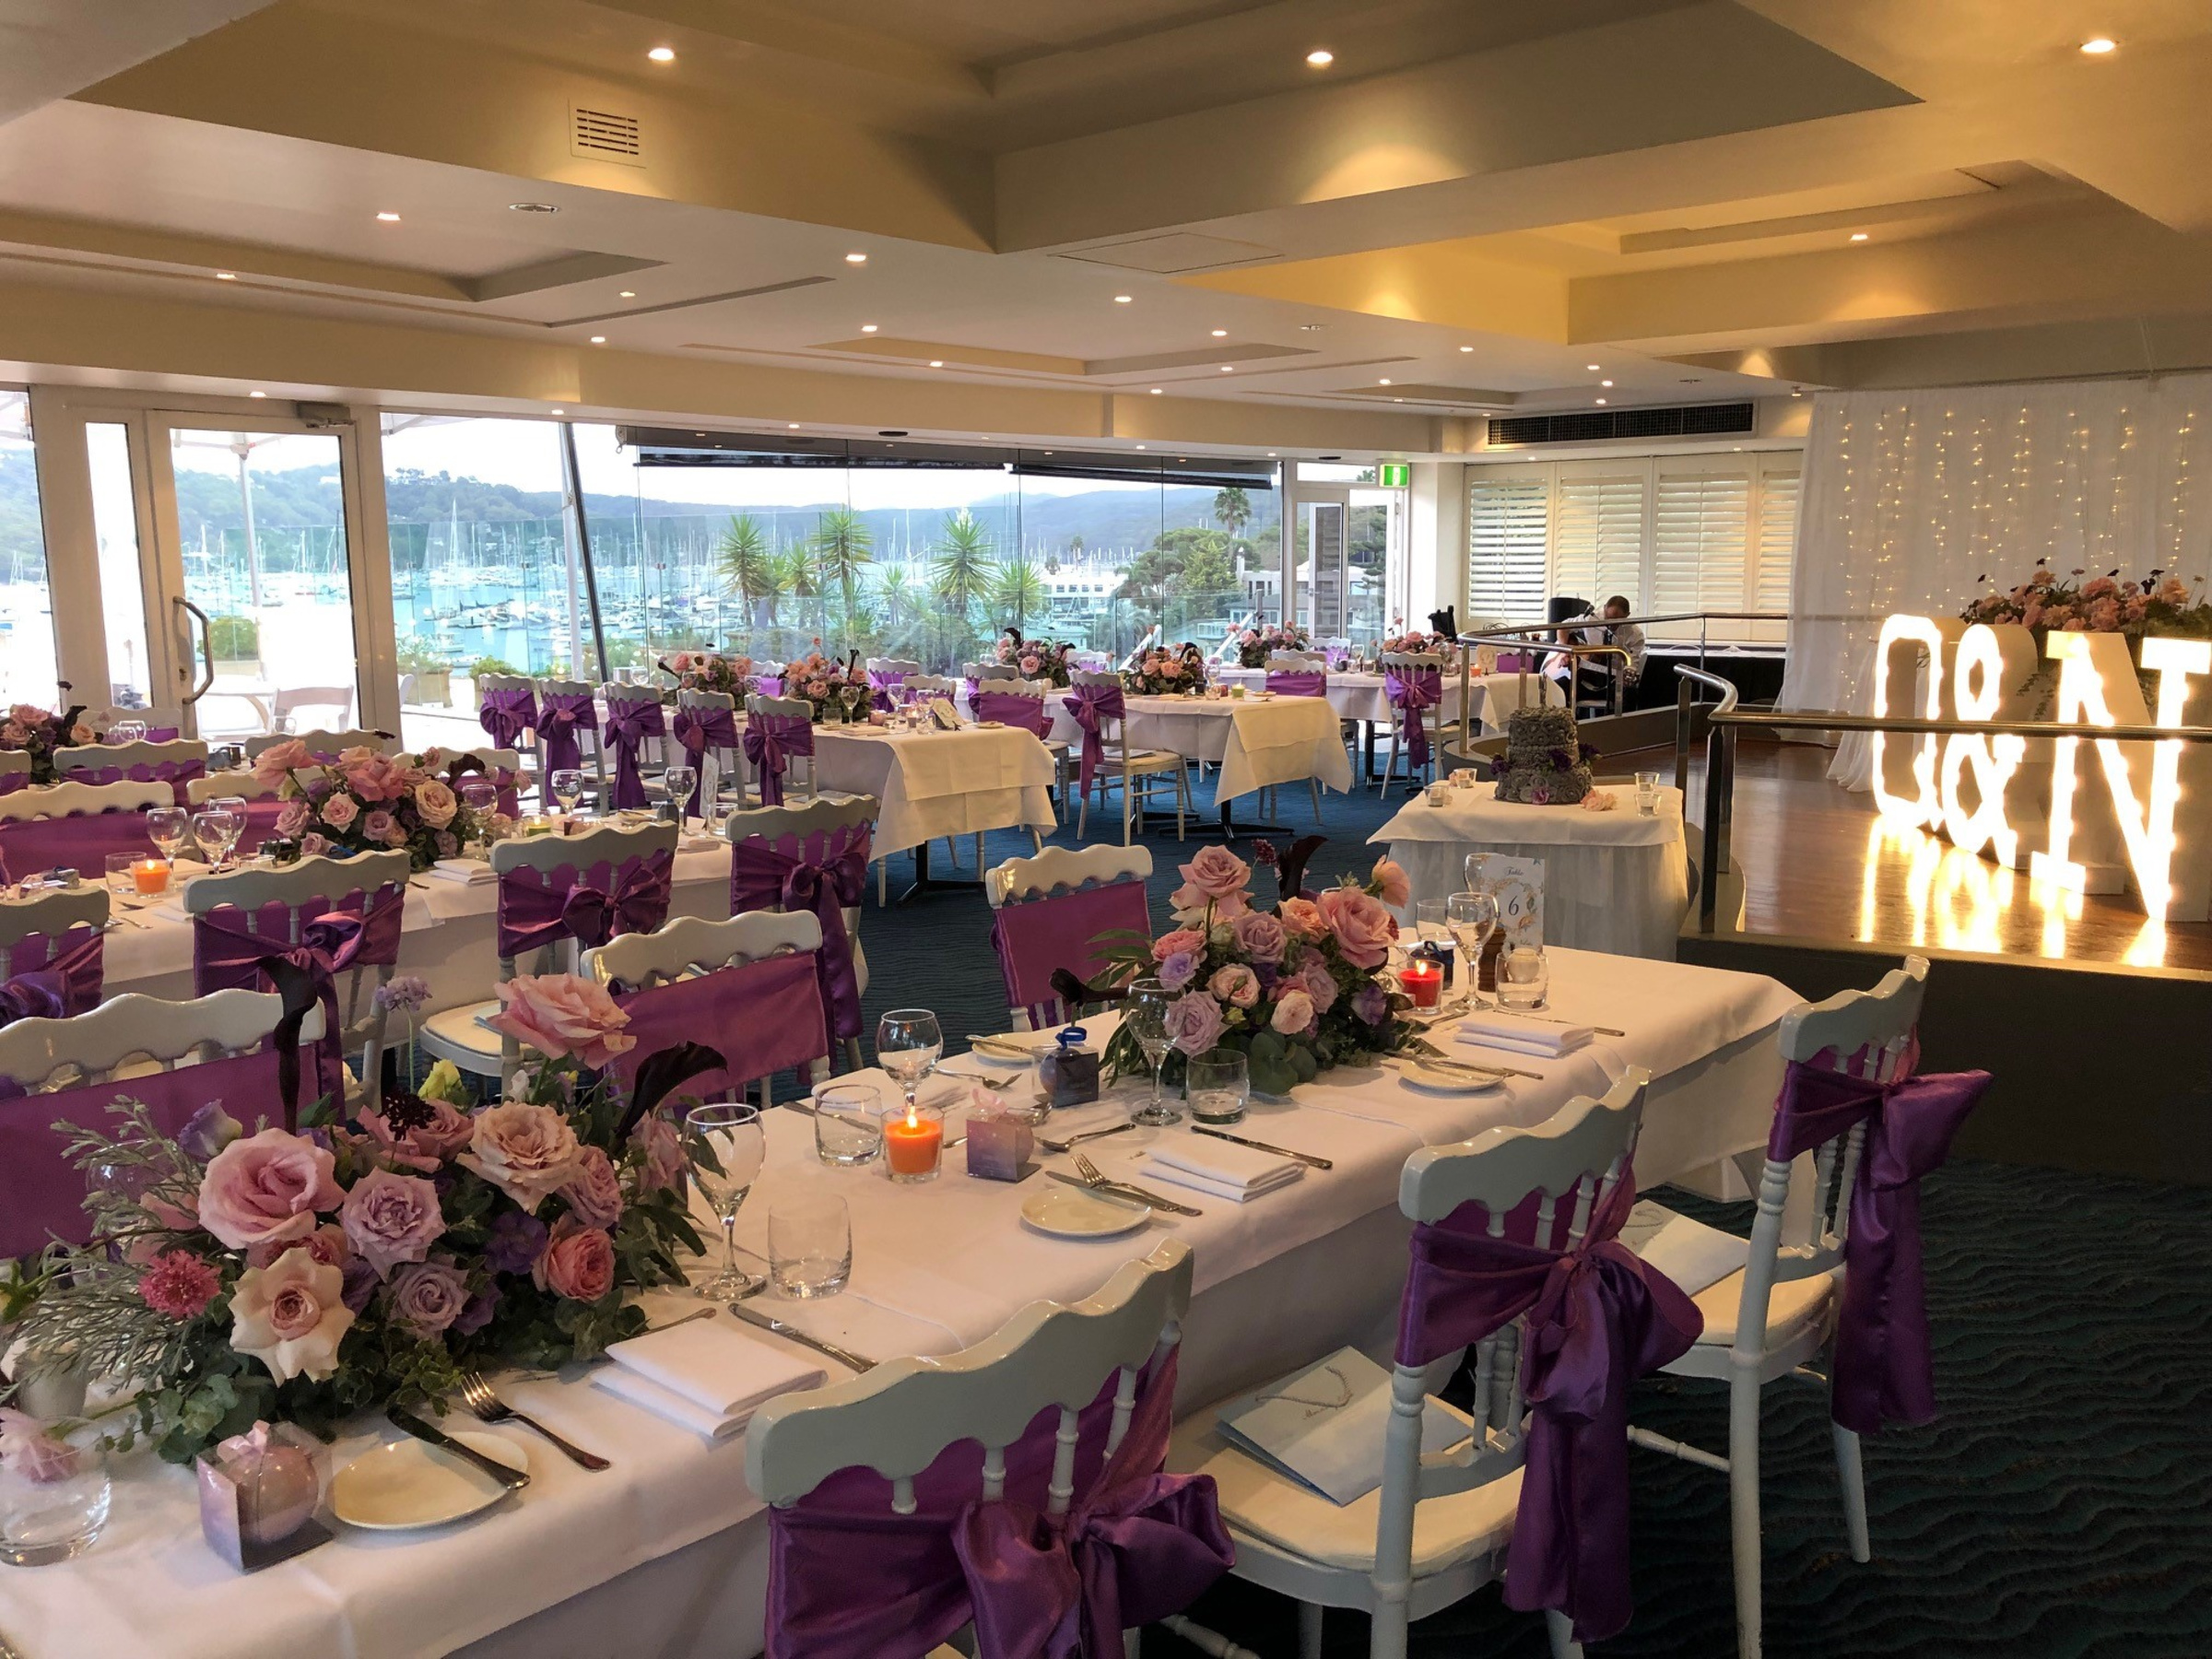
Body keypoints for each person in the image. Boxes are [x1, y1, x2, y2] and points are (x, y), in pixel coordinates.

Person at [1602, 595, 1647, 689]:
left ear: (1627, 615)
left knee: (1628, 691)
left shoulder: (1635, 634)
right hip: (1588, 675)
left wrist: (1628, 673)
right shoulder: (1592, 619)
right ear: (1604, 608)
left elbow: (1633, 663)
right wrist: (1564, 654)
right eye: (1608, 618)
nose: (1611, 623)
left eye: (1616, 620)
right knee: (1564, 684)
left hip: (1614, 679)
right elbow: (1564, 627)